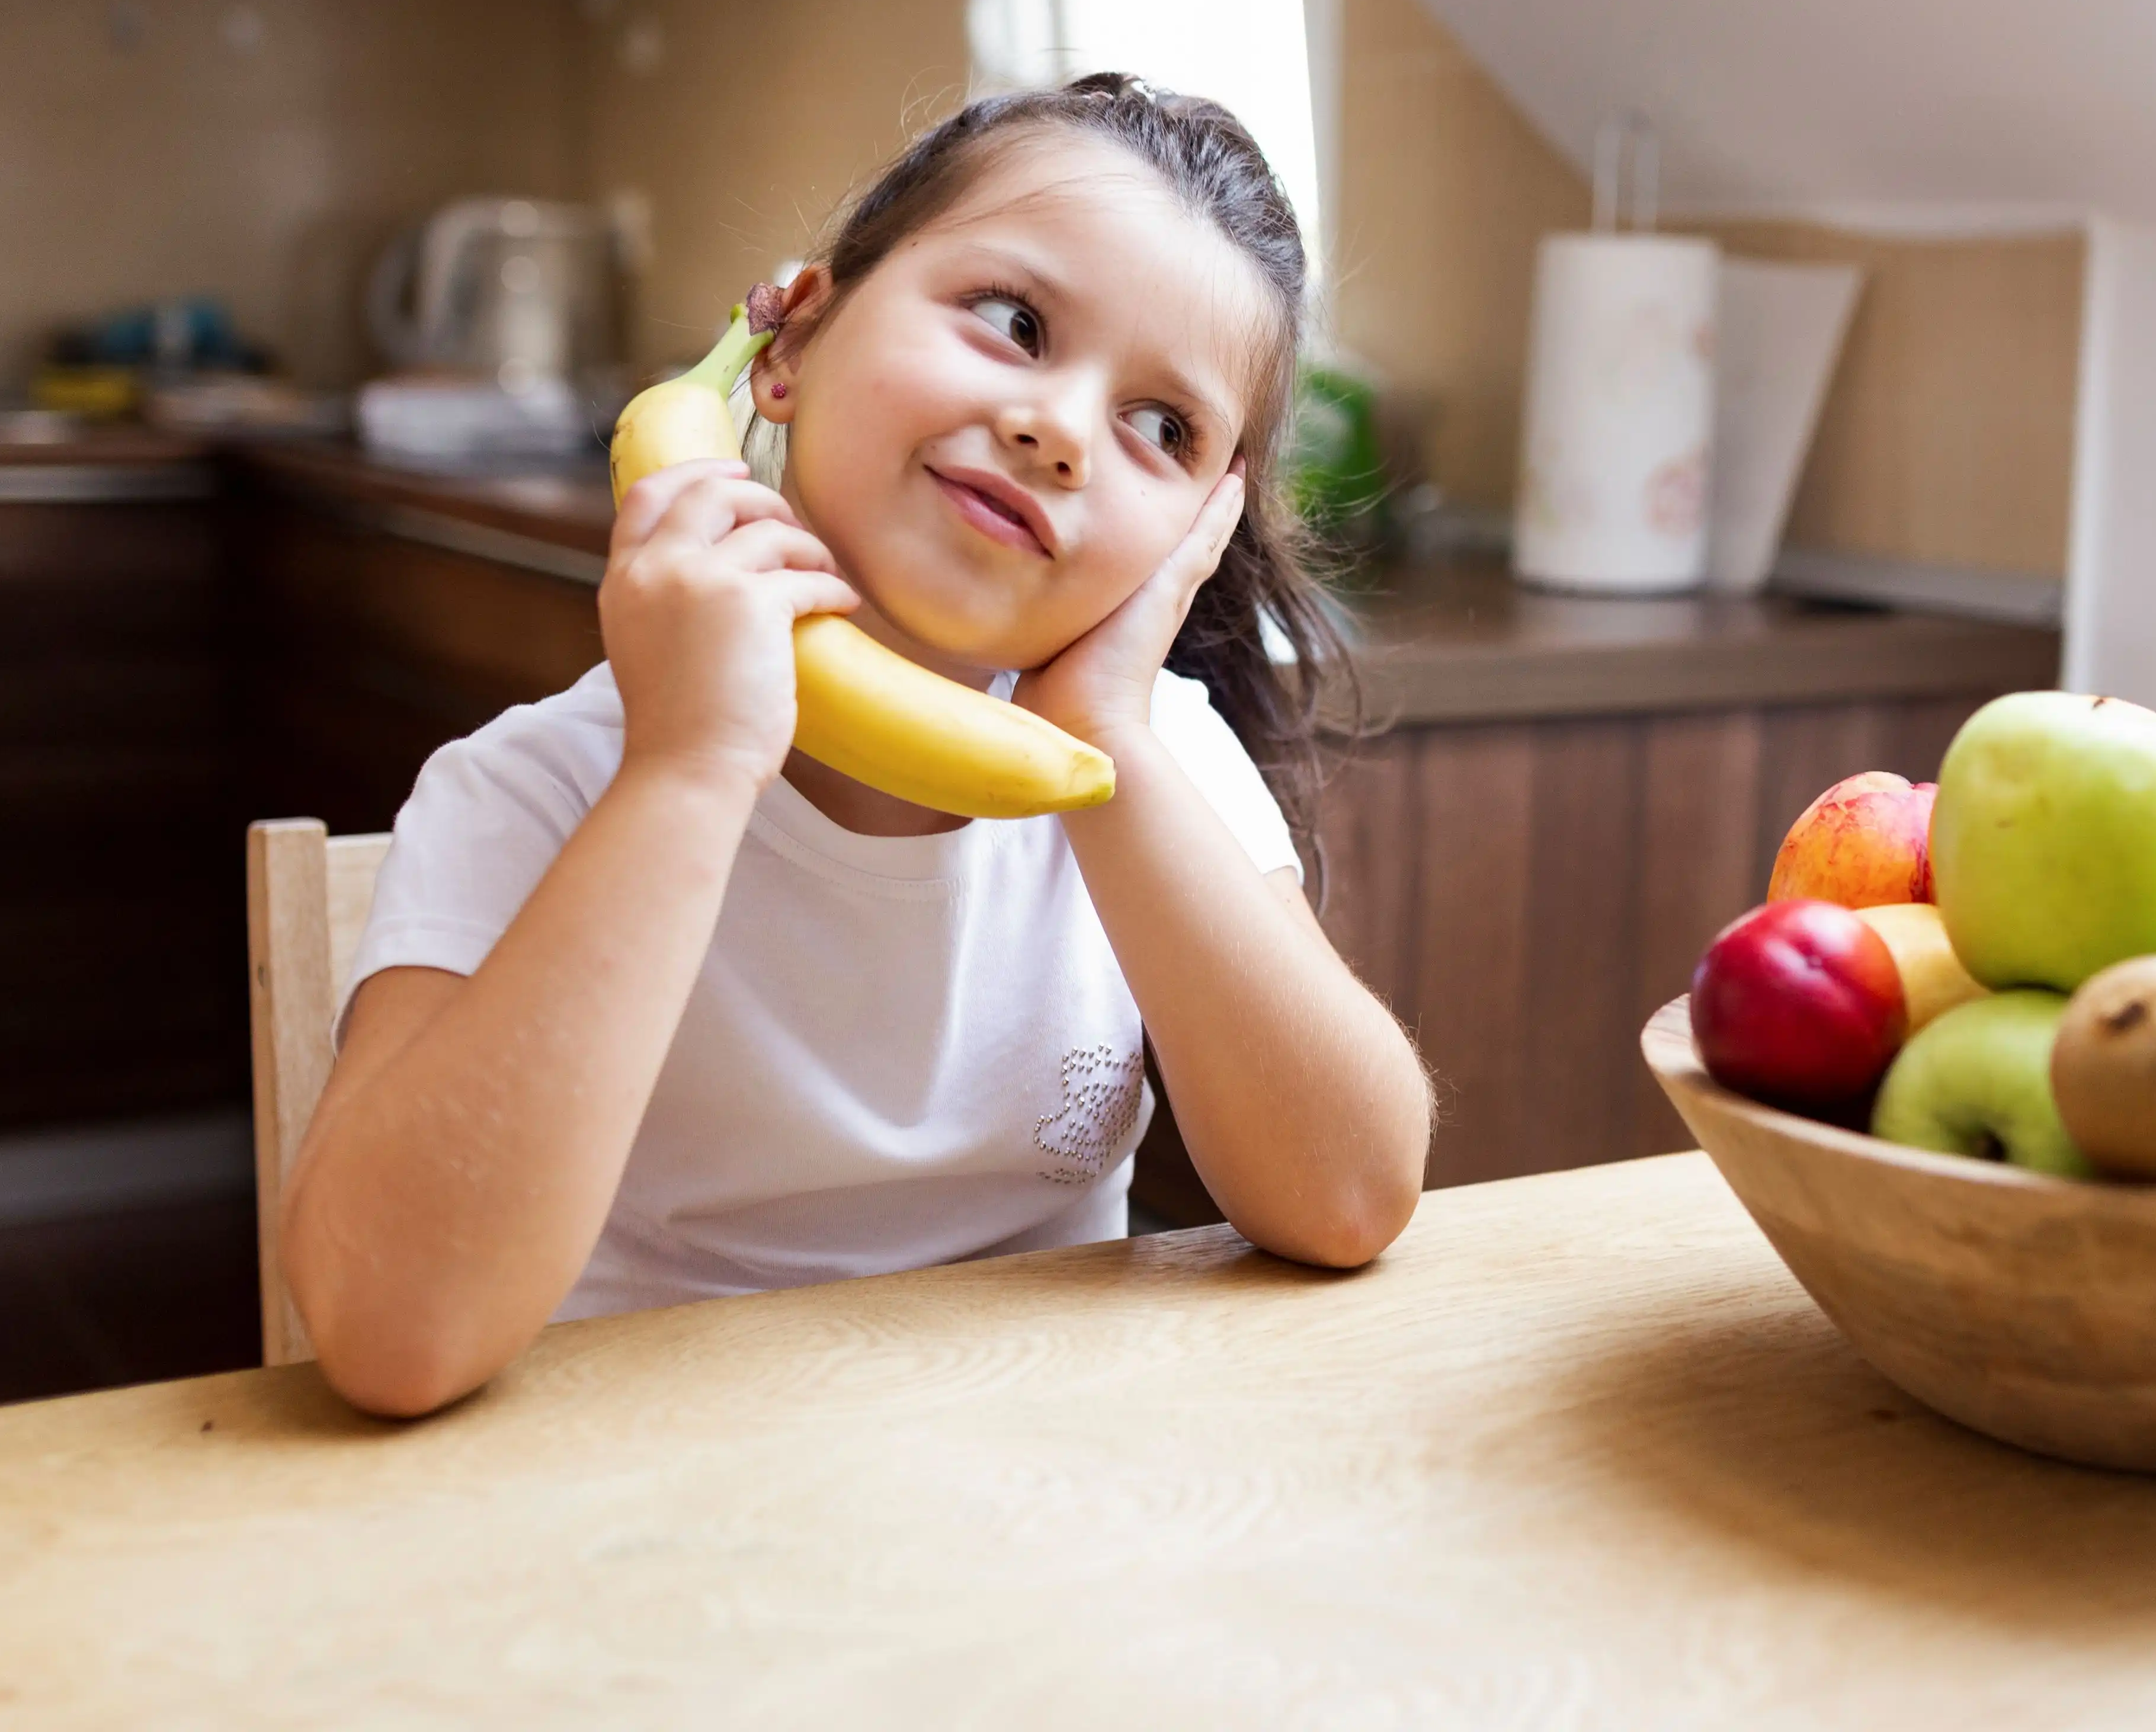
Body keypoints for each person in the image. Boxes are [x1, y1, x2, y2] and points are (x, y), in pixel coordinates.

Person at [280, 76, 1434, 1417]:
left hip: (1028, 1480)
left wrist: (1111, 743)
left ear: (1201, 533)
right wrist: (689, 769)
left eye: (1162, 428)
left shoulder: (1153, 762)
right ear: (795, 342)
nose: (1061, 431)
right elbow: (392, 1333)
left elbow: (1351, 1198)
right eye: (1014, 322)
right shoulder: (541, 787)